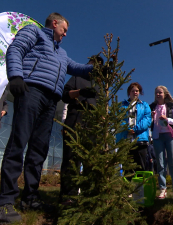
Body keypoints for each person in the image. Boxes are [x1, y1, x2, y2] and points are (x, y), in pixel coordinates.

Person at [0, 12, 94, 223]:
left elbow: (76, 68)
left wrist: (96, 69)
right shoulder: (35, 32)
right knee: (18, 142)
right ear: (55, 23)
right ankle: (5, 201)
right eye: (64, 30)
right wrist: (15, 76)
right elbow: (15, 49)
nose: (65, 34)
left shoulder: (62, 52)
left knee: (39, 150)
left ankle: (30, 198)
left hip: (51, 101)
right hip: (31, 91)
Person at [59, 55, 103, 204]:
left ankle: (89, 195)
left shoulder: (100, 85)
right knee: (71, 159)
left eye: (98, 65)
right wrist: (80, 92)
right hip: (75, 117)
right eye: (93, 63)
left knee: (91, 159)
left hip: (93, 122)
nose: (95, 67)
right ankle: (68, 196)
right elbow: (65, 96)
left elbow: (103, 107)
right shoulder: (77, 77)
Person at [149, 86, 173, 199]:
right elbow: (149, 123)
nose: (158, 94)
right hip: (157, 137)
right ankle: (163, 189)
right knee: (160, 164)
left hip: (171, 136)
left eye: (160, 92)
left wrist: (167, 119)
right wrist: (151, 117)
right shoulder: (151, 107)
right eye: (156, 93)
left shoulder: (171, 106)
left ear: (165, 94)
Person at [116, 82, 151, 176]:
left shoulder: (144, 105)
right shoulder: (122, 106)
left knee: (141, 167)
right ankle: (128, 190)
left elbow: (147, 119)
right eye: (133, 91)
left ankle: (140, 190)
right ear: (129, 93)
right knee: (127, 170)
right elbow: (118, 119)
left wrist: (135, 129)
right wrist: (127, 128)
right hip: (125, 141)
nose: (135, 92)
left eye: (137, 90)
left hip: (140, 141)